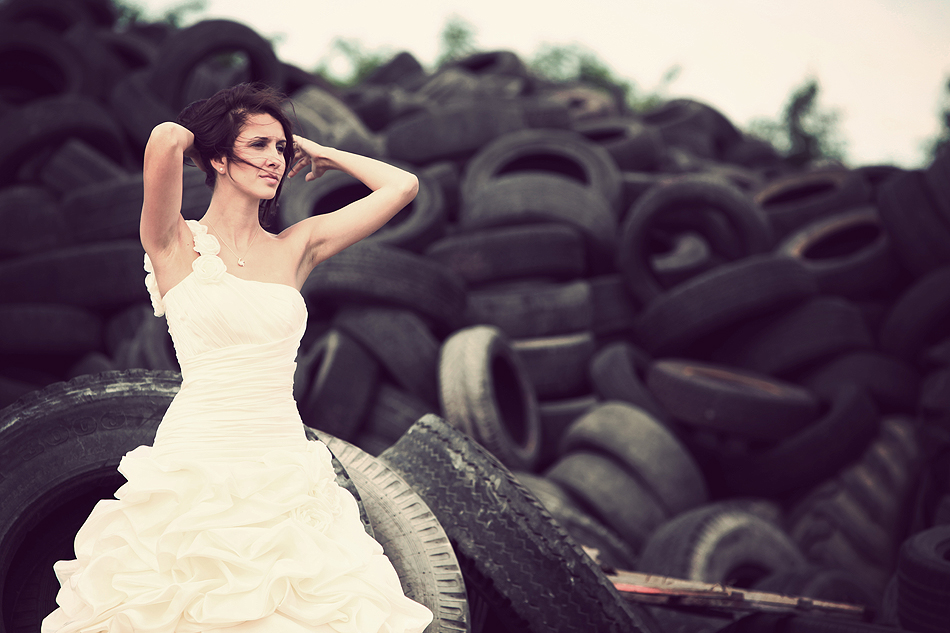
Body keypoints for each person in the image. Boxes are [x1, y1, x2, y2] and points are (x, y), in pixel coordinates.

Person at [42, 83, 434, 633]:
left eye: (282, 148)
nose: (276, 159)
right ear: (219, 159)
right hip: (199, 456)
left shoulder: (297, 246)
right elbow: (164, 139)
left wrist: (322, 152)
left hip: (282, 460)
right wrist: (204, 138)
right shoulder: (173, 242)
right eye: (259, 145)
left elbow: (403, 186)